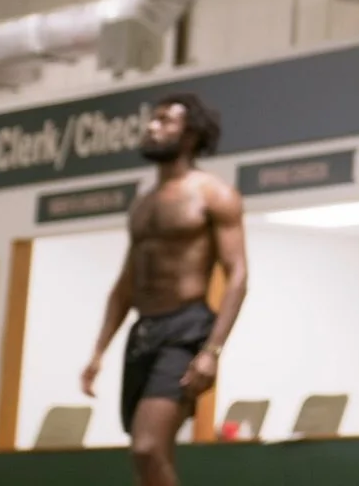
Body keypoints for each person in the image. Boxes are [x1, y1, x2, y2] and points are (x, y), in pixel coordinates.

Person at [80, 93, 249, 486]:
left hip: (187, 328)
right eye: (151, 121)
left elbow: (238, 275)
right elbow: (125, 284)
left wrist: (212, 350)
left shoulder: (213, 194)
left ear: (190, 135)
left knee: (147, 447)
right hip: (144, 330)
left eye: (163, 122)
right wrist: (99, 351)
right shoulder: (142, 203)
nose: (152, 128)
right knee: (150, 456)